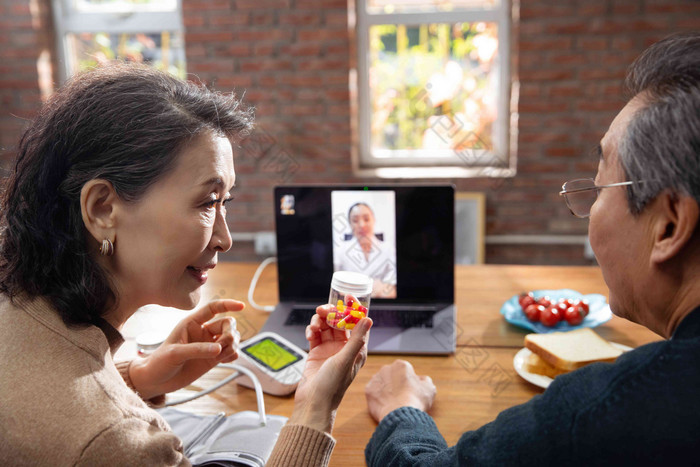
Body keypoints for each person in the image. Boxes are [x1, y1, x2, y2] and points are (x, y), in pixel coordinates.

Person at [0, 62, 372, 466]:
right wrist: (316, 410)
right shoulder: (118, 440)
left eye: (224, 202)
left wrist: (135, 378)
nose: (225, 239)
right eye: (208, 202)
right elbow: (94, 435)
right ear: (102, 208)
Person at [363, 32, 700, 465]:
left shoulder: (606, 414)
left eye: (599, 189)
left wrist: (401, 409)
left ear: (669, 225)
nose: (589, 211)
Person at [334, 202, 397, 298]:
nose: (362, 225)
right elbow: (337, 288)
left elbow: (392, 289)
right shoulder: (340, 251)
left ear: (374, 220)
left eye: (366, 219)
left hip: (382, 304)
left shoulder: (388, 248)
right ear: (350, 225)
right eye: (355, 220)